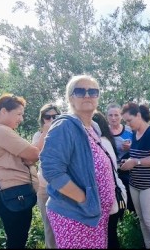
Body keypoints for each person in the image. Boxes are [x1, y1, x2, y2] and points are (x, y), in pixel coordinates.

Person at [40, 75, 115, 248]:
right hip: (74, 215)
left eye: (93, 91)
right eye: (80, 91)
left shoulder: (92, 127)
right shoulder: (65, 126)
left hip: (94, 215)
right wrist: (84, 199)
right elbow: (52, 171)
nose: (87, 95)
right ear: (70, 98)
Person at [0, 93, 41, 249]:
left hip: (10, 191)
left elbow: (28, 157)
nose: (21, 119)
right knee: (17, 240)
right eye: (18, 114)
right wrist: (47, 131)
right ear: (4, 111)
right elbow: (33, 154)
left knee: (16, 238)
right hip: (13, 192)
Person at [120, 102, 150, 249]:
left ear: (138, 115)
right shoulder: (134, 133)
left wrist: (134, 162)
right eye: (125, 121)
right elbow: (136, 155)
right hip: (135, 184)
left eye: (129, 120)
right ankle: (148, 245)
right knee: (141, 218)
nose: (127, 124)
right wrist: (127, 161)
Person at [92, 111, 128, 249]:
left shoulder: (99, 143)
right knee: (110, 233)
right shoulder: (107, 140)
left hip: (107, 195)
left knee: (108, 235)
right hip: (114, 194)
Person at [32, 103, 61, 249]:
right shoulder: (38, 135)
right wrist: (45, 131)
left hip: (63, 187)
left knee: (64, 224)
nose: (51, 119)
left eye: (55, 116)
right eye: (47, 117)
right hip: (44, 187)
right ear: (42, 119)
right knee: (49, 226)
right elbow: (36, 154)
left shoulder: (63, 134)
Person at [107, 102, 135, 214]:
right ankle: (118, 216)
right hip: (110, 170)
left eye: (116, 115)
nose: (113, 118)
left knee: (130, 192)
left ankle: (133, 215)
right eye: (110, 115)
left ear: (121, 116)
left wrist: (130, 148)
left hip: (128, 169)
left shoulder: (129, 130)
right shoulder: (103, 132)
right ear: (106, 117)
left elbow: (140, 149)